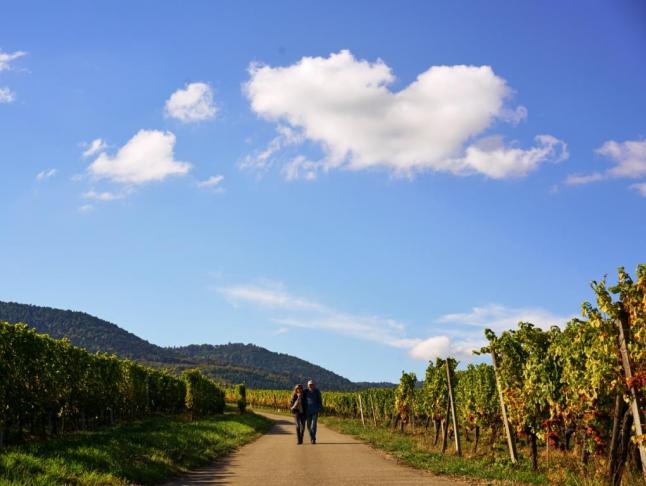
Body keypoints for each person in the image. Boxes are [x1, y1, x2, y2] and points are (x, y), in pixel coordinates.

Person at [304, 379, 322, 444]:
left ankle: (313, 439)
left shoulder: (317, 391)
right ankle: (312, 436)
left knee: (313, 425)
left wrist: (320, 408)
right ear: (308, 385)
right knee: (308, 425)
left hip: (315, 410)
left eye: (312, 385)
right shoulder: (305, 391)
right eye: (310, 385)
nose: (311, 386)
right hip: (308, 411)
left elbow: (320, 400)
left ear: (314, 385)